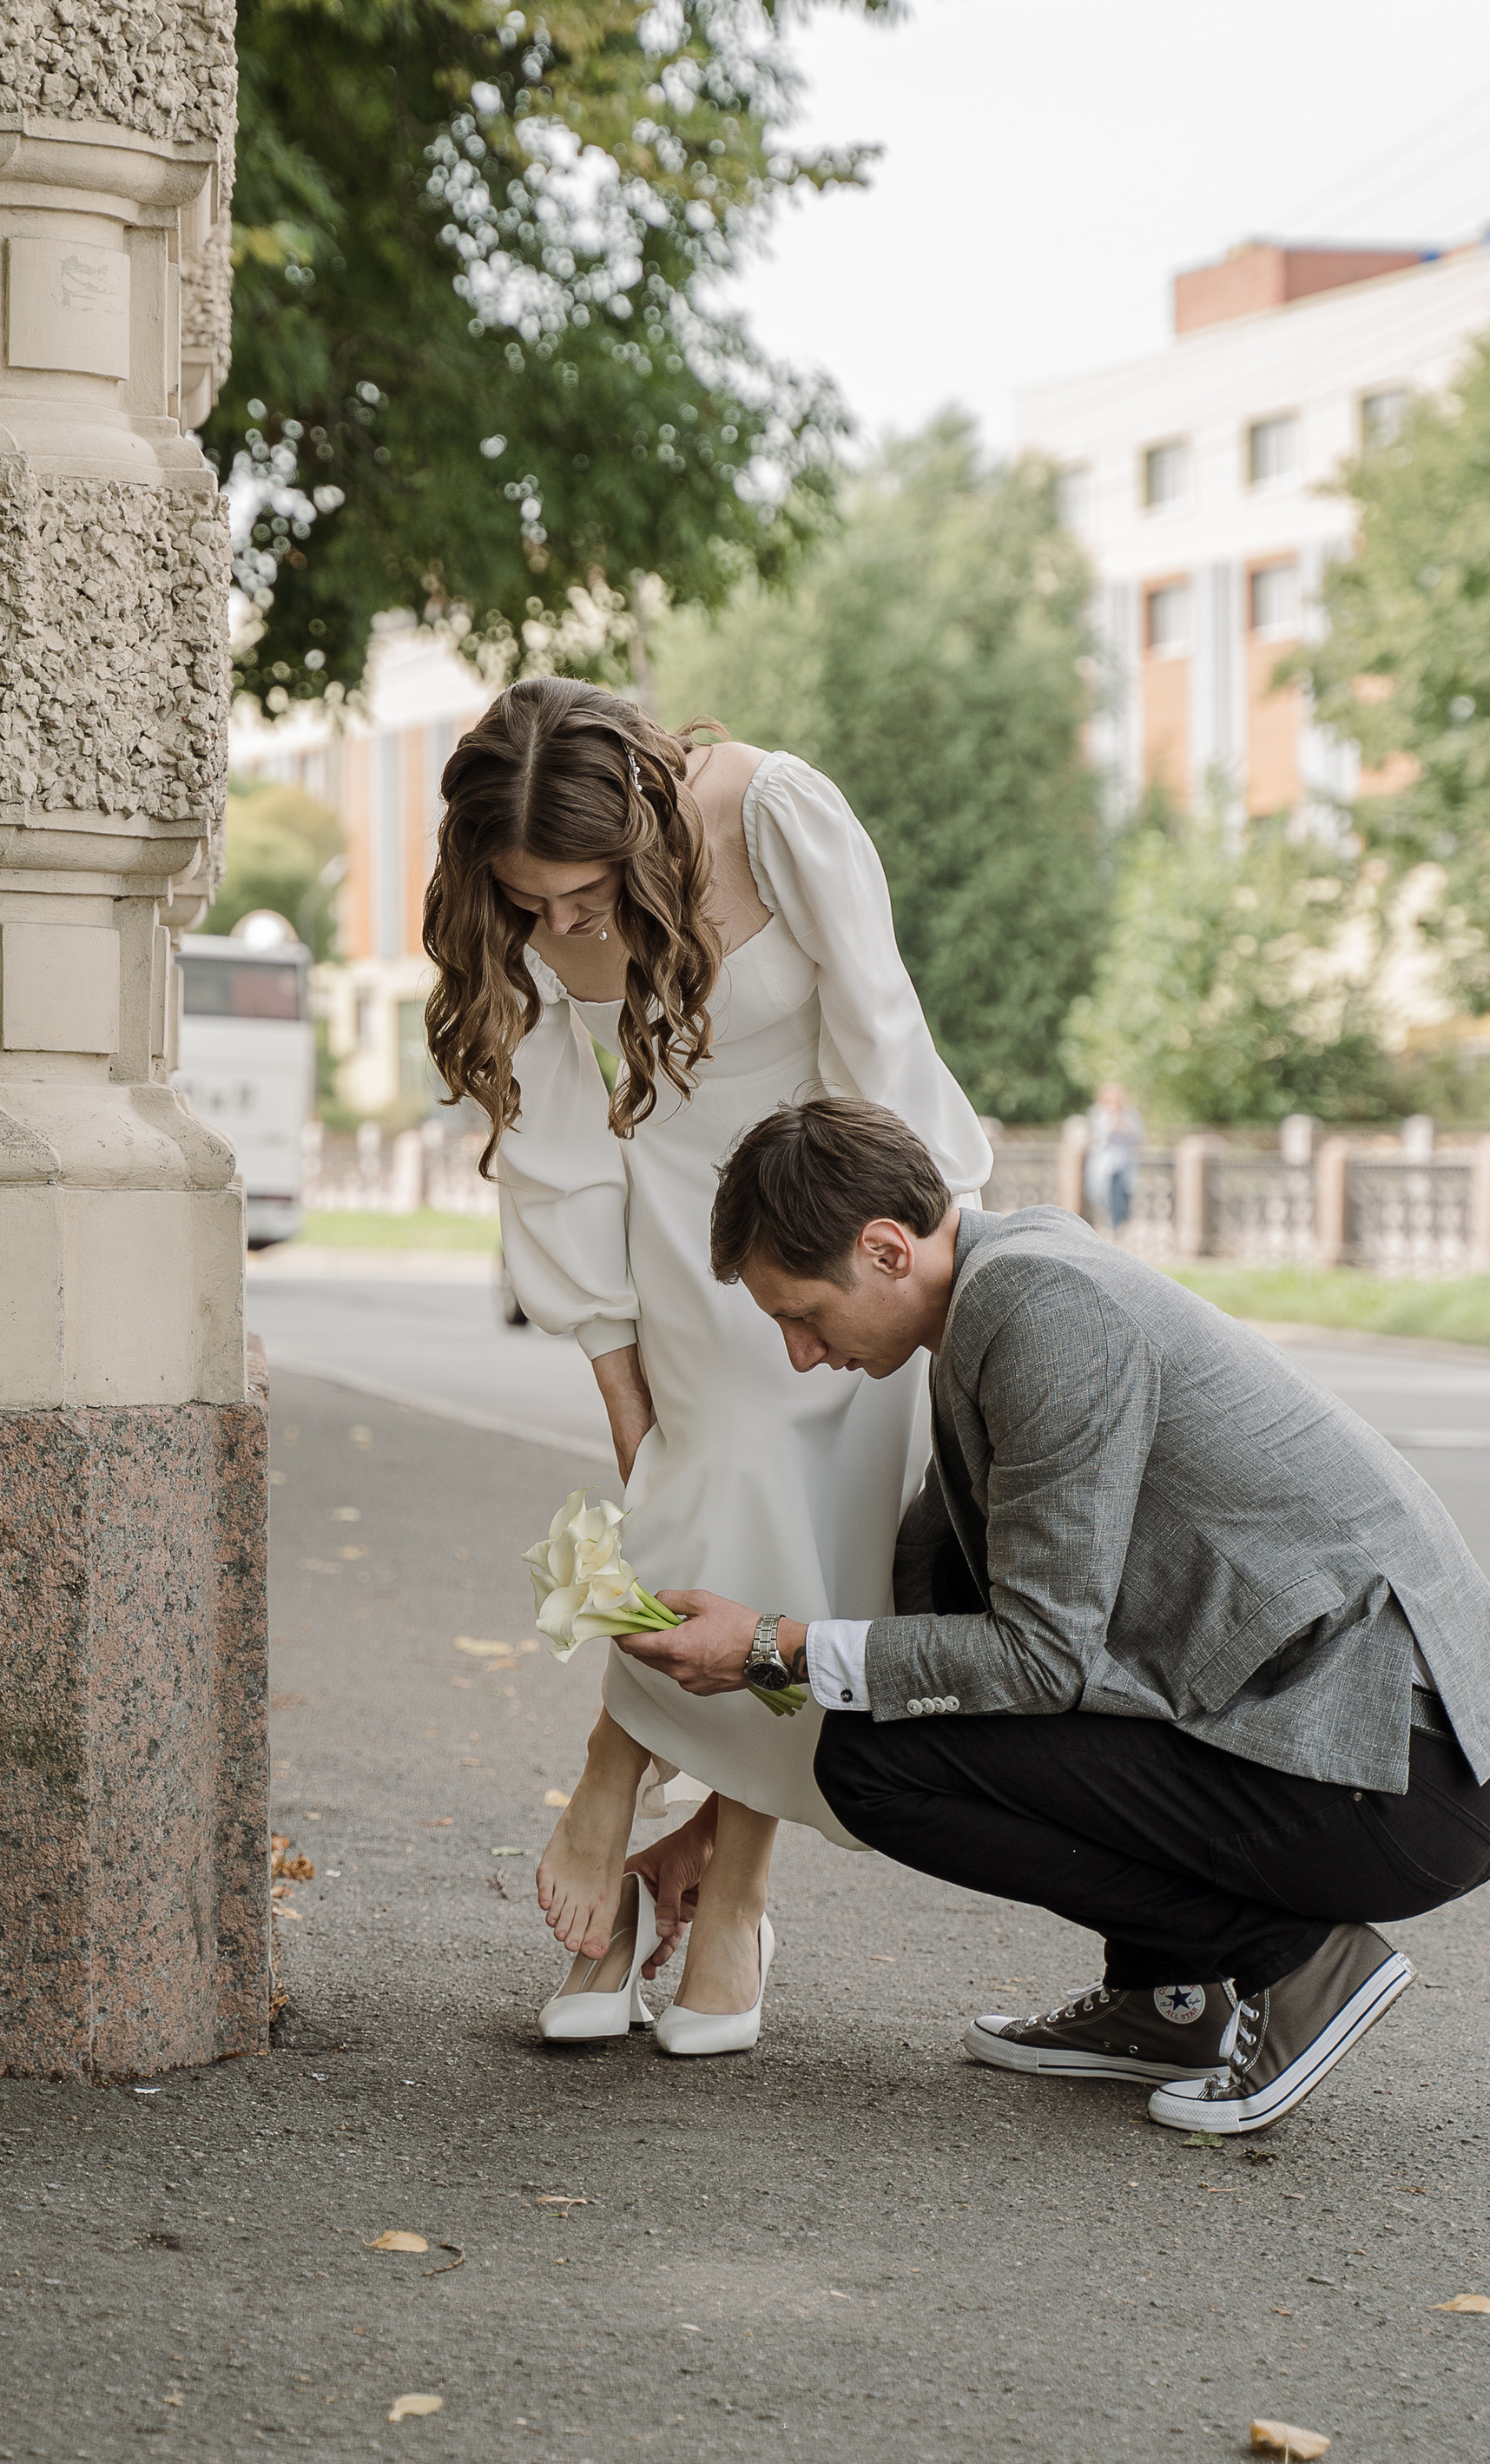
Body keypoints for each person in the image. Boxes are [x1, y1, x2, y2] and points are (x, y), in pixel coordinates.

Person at [617, 1096, 1490, 2132]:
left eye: (801, 1314)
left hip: (1392, 1773)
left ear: (884, 1250)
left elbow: (1039, 1658)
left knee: (877, 1763)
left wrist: (764, 1648)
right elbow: (936, 1602)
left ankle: (1299, 1963)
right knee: (911, 1689)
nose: (799, 1352)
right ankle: (1168, 1998)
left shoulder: (1039, 1308)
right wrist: (724, 1803)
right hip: (1355, 1747)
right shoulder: (1003, 1280)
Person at [424, 680, 990, 2055]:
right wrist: (618, 1381)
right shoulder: (540, 926)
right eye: (529, 903)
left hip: (831, 1239)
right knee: (716, 1493)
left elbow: (882, 1032)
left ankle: (705, 1873)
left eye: (581, 895)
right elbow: (560, 1149)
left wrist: (920, 1263)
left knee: (804, 1558)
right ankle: (676, 1864)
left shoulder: (772, 811)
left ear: (641, 823)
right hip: (683, 1248)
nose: (562, 928)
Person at [1082, 1079, 1144, 1236]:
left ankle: (1119, 1228)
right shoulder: (1097, 1114)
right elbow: (1096, 1137)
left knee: (1124, 1197)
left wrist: (1120, 1120)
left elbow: (1138, 1137)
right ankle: (1107, 1228)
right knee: (1102, 1197)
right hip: (1103, 1165)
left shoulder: (1131, 1115)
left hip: (1124, 1164)